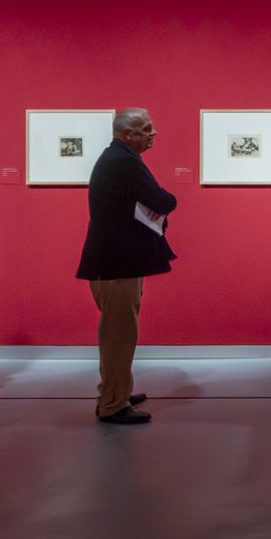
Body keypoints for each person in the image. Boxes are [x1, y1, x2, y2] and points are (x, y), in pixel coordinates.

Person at [77, 108, 176, 425]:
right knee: (118, 336)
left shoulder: (118, 158)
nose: (153, 133)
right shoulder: (123, 162)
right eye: (146, 129)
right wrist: (164, 199)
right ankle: (112, 405)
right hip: (116, 264)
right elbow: (164, 201)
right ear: (126, 134)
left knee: (116, 334)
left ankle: (114, 393)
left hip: (115, 262)